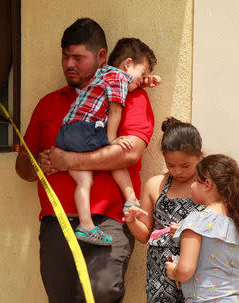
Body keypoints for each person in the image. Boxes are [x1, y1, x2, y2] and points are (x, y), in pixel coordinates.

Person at [16, 18, 155, 302]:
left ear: (102, 56)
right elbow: (22, 167)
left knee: (101, 293)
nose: (69, 64)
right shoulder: (48, 103)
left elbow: (129, 153)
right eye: (65, 56)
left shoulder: (132, 98)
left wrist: (68, 161)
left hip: (110, 221)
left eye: (78, 57)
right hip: (57, 222)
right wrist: (40, 165)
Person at [56, 38, 160, 246]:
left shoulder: (101, 74)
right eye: (143, 73)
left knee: (84, 181)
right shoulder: (120, 80)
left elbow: (127, 81)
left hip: (67, 132)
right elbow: (115, 109)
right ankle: (130, 198)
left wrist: (144, 81)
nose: (143, 79)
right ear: (128, 63)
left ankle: (86, 226)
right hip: (84, 129)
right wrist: (112, 140)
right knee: (114, 154)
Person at [122, 117, 204, 302]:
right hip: (160, 274)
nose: (178, 172)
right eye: (170, 165)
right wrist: (132, 221)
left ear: (200, 155)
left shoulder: (207, 187)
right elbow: (144, 236)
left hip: (197, 268)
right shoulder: (154, 185)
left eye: (185, 165)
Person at [165, 154, 239, 302]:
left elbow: (185, 270)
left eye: (195, 180)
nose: (192, 185)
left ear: (207, 185)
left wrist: (173, 271)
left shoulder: (196, 221)